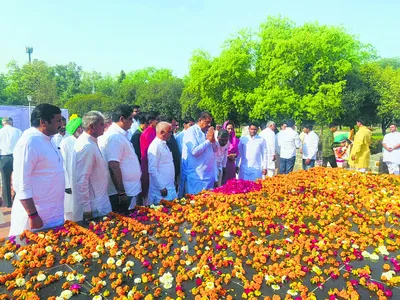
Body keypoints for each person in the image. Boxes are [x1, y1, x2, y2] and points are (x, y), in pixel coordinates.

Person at [9, 104, 64, 236]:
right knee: (30, 252)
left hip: (53, 211)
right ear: (43, 122)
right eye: (58, 120)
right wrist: (32, 215)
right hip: (36, 215)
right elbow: (21, 182)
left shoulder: (50, 139)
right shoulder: (29, 142)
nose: (61, 124)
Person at [99, 105, 142, 213]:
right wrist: (121, 192)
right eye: (130, 119)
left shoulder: (121, 135)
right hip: (124, 192)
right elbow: (113, 166)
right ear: (122, 119)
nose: (132, 122)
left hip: (129, 189)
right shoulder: (114, 137)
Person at [72, 111, 111, 221]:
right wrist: (87, 209)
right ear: (92, 127)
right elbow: (82, 180)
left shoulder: (90, 141)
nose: (105, 126)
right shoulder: (86, 146)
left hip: (100, 199)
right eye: (102, 124)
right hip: (95, 206)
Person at [181, 112, 217, 195]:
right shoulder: (191, 131)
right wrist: (208, 141)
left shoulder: (207, 132)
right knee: (196, 202)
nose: (209, 124)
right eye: (207, 122)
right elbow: (194, 151)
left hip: (208, 174)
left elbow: (215, 150)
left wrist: (213, 140)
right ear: (200, 120)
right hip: (197, 175)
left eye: (210, 122)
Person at [148, 122, 177, 204]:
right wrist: (161, 187)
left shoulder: (164, 145)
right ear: (162, 132)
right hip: (161, 190)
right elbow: (152, 169)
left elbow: (167, 164)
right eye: (169, 132)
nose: (171, 134)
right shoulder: (155, 146)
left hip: (170, 186)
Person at [59, 117, 83, 221]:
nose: (81, 130)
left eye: (81, 127)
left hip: (81, 179)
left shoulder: (84, 141)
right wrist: (67, 184)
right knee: (70, 209)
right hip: (70, 181)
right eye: (78, 128)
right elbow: (63, 163)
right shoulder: (66, 142)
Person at [0, 117, 22, 208]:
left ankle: (8, 202)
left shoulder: (0, 132)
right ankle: (17, 198)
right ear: (11, 122)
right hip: (16, 157)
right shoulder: (18, 131)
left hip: (4, 157)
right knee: (18, 179)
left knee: (5, 180)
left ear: (3, 123)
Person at [140, 112, 159, 204]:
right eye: (157, 120)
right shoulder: (148, 133)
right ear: (151, 122)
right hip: (148, 163)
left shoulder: (154, 131)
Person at [158, 115, 181, 189]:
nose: (174, 127)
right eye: (173, 125)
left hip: (173, 173)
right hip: (165, 179)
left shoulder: (171, 136)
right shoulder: (160, 143)